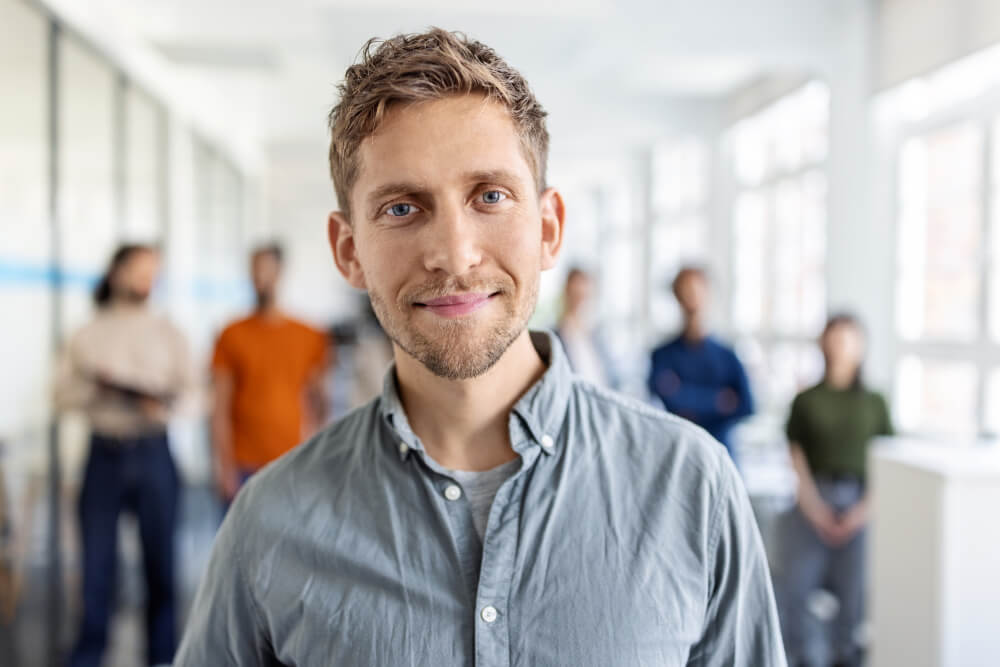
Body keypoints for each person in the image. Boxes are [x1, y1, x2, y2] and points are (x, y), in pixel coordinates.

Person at [176, 29, 784, 666]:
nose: (455, 255)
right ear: (348, 251)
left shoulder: (691, 489)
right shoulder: (271, 521)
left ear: (548, 229)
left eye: (490, 196)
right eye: (403, 208)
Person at [55, 244, 195, 667]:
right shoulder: (87, 334)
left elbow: (193, 394)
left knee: (161, 571)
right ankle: (87, 657)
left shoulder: (169, 333)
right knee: (96, 571)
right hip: (104, 456)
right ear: (117, 272)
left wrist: (163, 405)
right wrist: (101, 387)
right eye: (138, 270)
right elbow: (60, 395)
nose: (145, 279)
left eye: (152, 271)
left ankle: (163, 659)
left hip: (154, 452)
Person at [776, 314, 893, 667]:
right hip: (814, 500)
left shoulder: (874, 401)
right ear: (824, 343)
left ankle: (847, 656)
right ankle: (801, 657)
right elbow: (796, 457)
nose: (841, 346)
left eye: (849, 339)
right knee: (796, 589)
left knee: (854, 596)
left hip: (860, 502)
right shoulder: (807, 400)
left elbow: (886, 460)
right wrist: (814, 507)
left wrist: (862, 512)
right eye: (835, 338)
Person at [210, 243, 330, 502]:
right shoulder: (232, 334)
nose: (260, 278)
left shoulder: (308, 335)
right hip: (243, 463)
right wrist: (223, 467)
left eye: (266, 270)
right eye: (254, 271)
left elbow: (319, 403)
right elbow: (219, 407)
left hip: (292, 461)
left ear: (280, 272)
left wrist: (316, 458)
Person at [648, 266, 754, 459]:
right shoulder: (662, 356)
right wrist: (720, 401)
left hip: (722, 455)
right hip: (678, 455)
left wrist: (686, 397)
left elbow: (747, 406)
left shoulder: (728, 356)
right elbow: (666, 401)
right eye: (684, 292)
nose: (690, 299)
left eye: (695, 291)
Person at [554, 267, 620, 388]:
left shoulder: (598, 336)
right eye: (576, 294)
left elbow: (611, 377)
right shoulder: (555, 337)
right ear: (566, 294)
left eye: (584, 296)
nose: (580, 302)